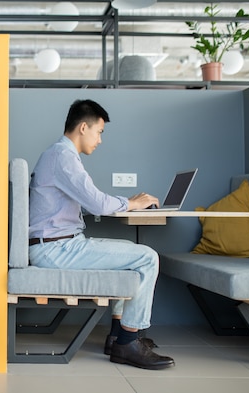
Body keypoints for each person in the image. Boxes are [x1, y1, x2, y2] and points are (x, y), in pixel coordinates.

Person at [28, 99, 175, 370]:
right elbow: (96, 203)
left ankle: (119, 337)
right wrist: (133, 203)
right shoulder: (63, 156)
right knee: (147, 258)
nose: (100, 140)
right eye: (100, 132)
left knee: (130, 257)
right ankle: (128, 342)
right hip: (55, 249)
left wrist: (126, 202)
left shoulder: (60, 155)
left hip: (59, 245)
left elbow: (89, 198)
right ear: (83, 127)